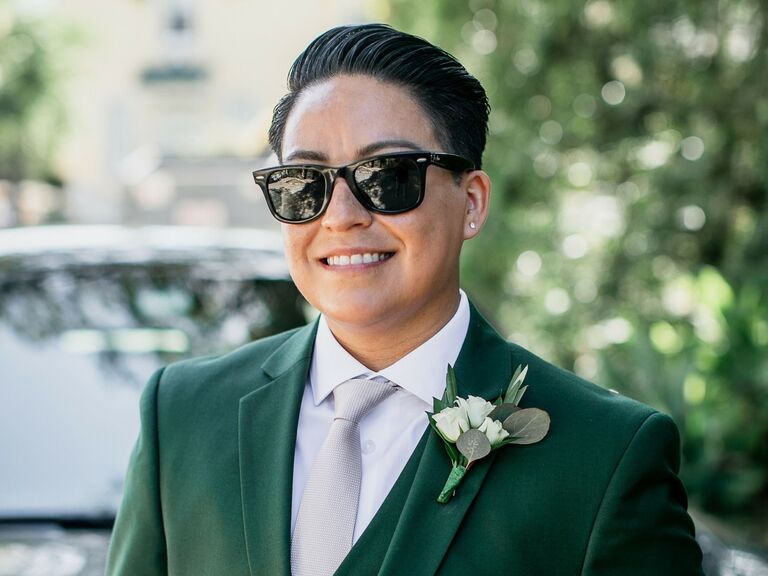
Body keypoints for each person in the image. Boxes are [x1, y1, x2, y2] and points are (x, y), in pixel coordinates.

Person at [106, 23, 704, 575]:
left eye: (387, 176)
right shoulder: (181, 415)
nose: (340, 217)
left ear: (471, 202)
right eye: (303, 183)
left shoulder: (604, 456)